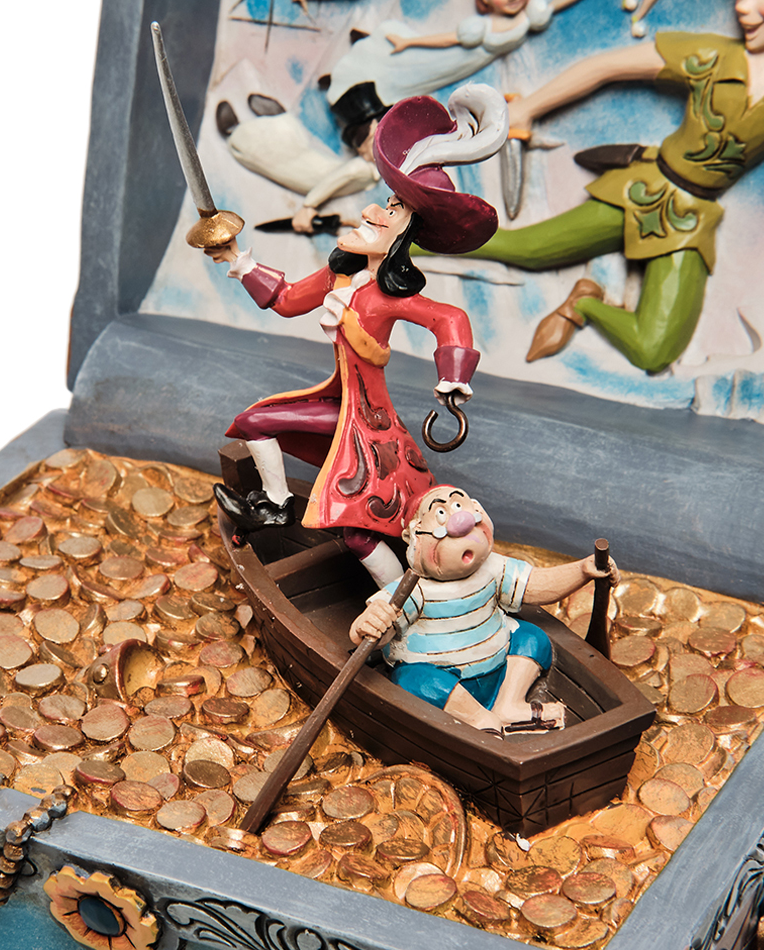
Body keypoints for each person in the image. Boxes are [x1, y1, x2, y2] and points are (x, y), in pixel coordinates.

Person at [450, 0, 764, 374]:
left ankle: (584, 303)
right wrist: (528, 108)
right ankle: (410, 245)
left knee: (654, 350)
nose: (743, 6)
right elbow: (603, 67)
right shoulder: (711, 56)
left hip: (691, 219)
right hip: (645, 186)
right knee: (529, 248)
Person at [205, 86, 507, 587]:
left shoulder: (388, 296)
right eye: (385, 201)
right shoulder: (340, 277)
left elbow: (449, 318)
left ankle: (400, 601)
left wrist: (453, 378)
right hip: (340, 403)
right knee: (254, 422)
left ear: (403, 234)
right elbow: (285, 299)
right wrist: (238, 261)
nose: (372, 211)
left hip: (369, 422)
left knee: (356, 530)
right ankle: (276, 505)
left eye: (393, 209)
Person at [349, 486, 619, 733]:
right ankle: (479, 721)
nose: (459, 521)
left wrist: (582, 570)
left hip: (500, 669)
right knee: (412, 679)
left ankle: (509, 704)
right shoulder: (414, 588)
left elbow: (538, 584)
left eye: (459, 505)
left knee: (532, 637)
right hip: (446, 684)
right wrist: (369, 624)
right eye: (441, 512)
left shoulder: (493, 568)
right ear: (415, 536)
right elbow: (376, 633)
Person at [324, 0, 617, 107]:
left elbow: (558, 2)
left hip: (466, 67)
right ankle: (361, 74)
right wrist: (408, 43)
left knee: (424, 80)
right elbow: (448, 40)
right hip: (452, 58)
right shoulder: (481, 26)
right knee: (412, 70)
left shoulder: (529, 17)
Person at [216, 82, 388, 234]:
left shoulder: (372, 172)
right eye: (371, 141)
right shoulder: (360, 167)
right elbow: (332, 181)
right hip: (315, 174)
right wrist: (309, 206)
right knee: (289, 151)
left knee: (279, 156)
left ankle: (240, 130)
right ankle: (269, 121)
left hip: (310, 177)